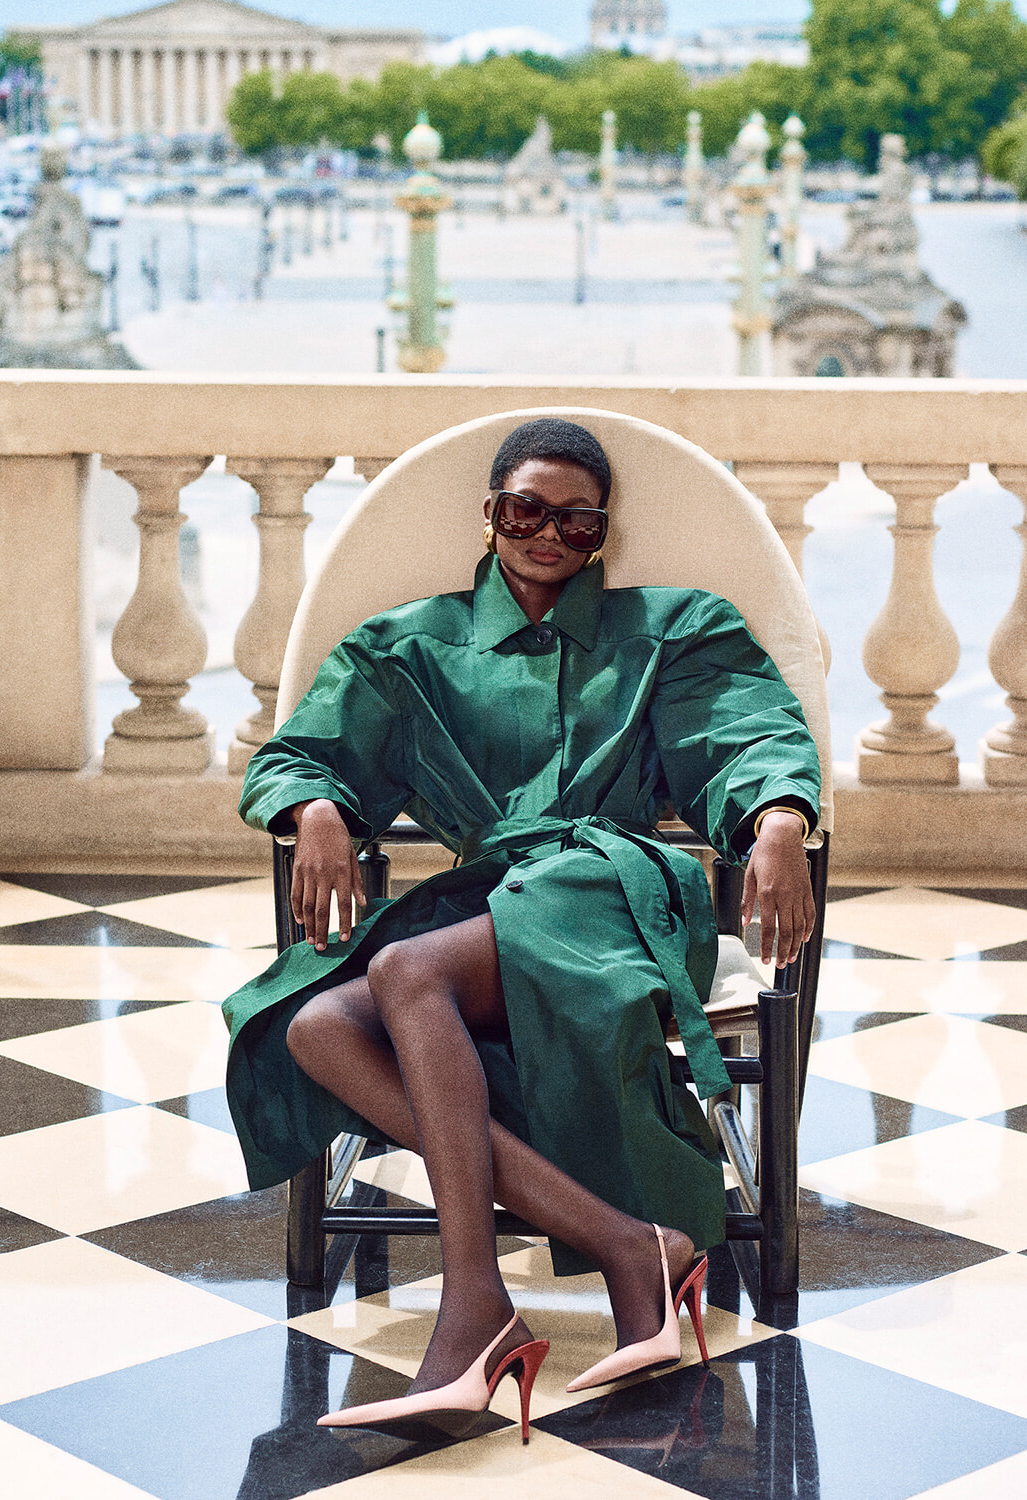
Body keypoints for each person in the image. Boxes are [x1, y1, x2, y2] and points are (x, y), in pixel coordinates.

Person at [222, 418, 820, 1441]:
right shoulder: (407, 646)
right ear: (491, 514)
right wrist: (315, 808)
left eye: (577, 522)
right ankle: (630, 1245)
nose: (548, 535)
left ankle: (474, 1307)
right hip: (491, 905)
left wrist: (778, 821)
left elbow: (750, 735)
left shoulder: (674, 627)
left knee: (406, 973)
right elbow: (299, 751)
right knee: (317, 1027)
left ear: (602, 534)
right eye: (525, 510)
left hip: (618, 890)